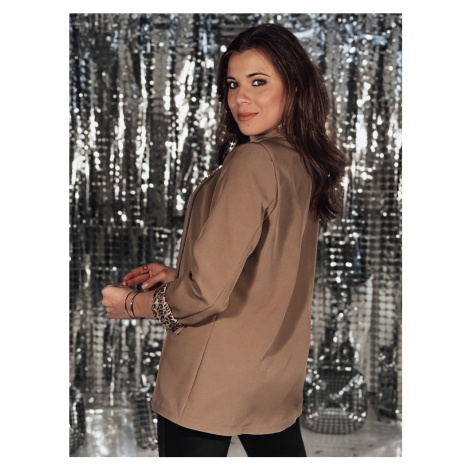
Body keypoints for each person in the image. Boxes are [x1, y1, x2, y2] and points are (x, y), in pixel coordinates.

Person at [101, 23, 347, 457]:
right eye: (233, 84)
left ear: (294, 86)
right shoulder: (302, 161)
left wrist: (132, 304)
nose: (240, 99)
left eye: (258, 82)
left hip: (210, 378)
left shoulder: (254, 160)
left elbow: (204, 297)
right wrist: (182, 275)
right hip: (272, 374)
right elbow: (269, 269)